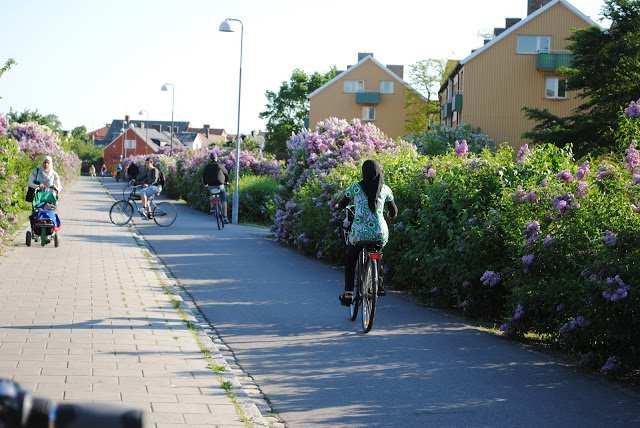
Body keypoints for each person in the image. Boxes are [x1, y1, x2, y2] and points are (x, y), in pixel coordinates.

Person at [335, 160, 397, 306]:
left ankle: (349, 293)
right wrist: (390, 216)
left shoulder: (355, 188)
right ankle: (379, 285)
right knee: (377, 253)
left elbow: (341, 204)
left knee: (350, 259)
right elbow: (394, 211)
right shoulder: (386, 189)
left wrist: (338, 207)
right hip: (379, 233)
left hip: (359, 234)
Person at [201, 152, 229, 222]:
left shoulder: (207, 167)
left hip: (211, 185)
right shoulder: (220, 165)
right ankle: (225, 218)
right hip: (220, 185)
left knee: (212, 194)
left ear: (210, 159)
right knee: (224, 200)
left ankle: (212, 207)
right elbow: (226, 173)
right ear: (216, 158)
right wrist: (227, 181)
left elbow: (204, 176)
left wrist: (205, 184)